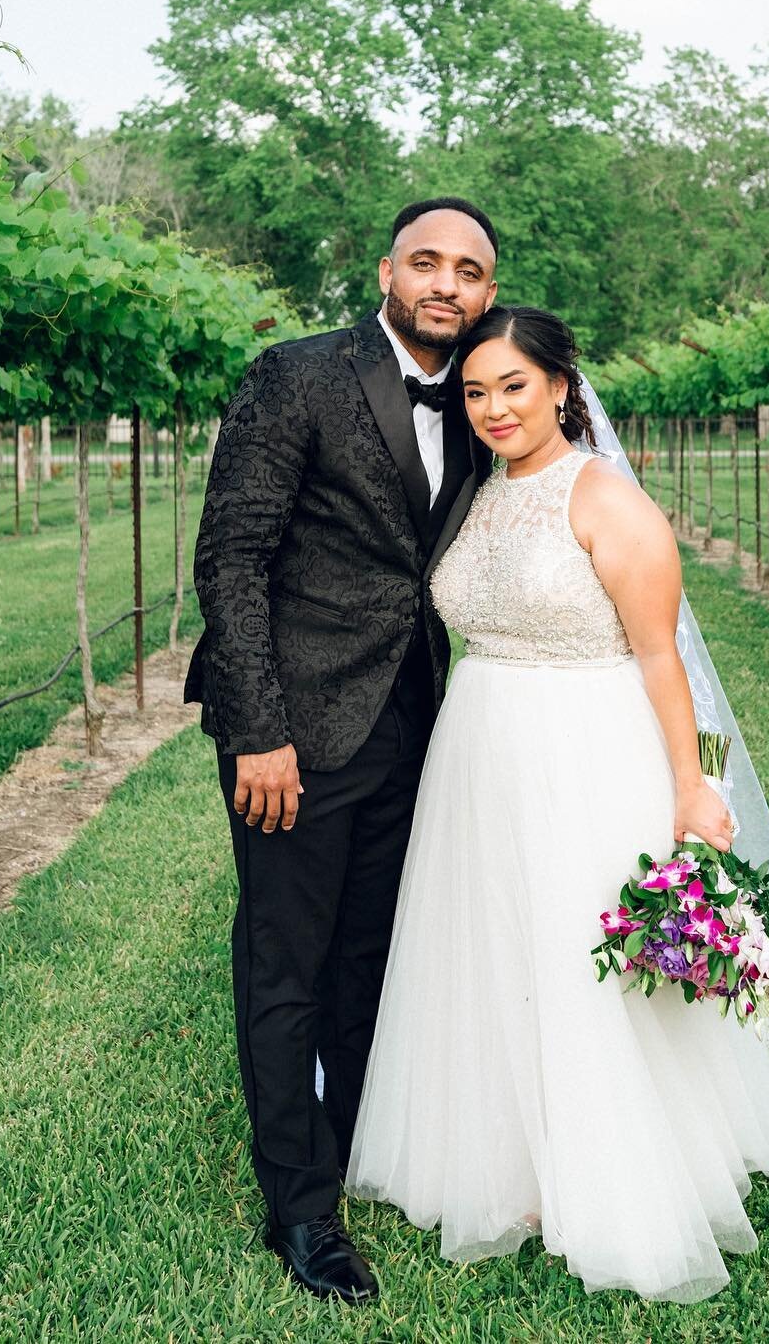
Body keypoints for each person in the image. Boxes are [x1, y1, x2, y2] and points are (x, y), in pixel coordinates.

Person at [347, 305, 769, 1304]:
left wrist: (696, 781)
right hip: (478, 748)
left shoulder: (608, 501)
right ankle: (505, 1162)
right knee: (492, 949)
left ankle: (608, 1176)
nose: (493, 408)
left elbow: (667, 657)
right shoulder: (474, 492)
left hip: (588, 749)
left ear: (561, 385)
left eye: (513, 385)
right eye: (474, 391)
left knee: (575, 956)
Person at [184, 198, 497, 1303]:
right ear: (387, 269)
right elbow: (230, 557)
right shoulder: (298, 373)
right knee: (286, 963)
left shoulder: (480, 393)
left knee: (371, 955)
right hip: (294, 728)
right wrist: (258, 728)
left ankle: (357, 1141)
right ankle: (302, 1211)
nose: (445, 283)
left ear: (488, 292)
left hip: (415, 721)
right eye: (427, 261)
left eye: (468, 269)